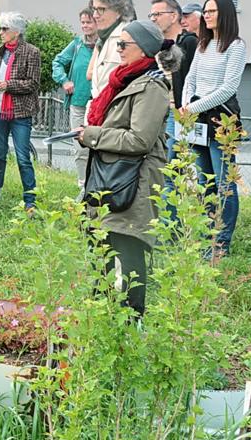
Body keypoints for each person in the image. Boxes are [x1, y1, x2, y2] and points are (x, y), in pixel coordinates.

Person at [76, 20, 177, 316]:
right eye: (117, 44)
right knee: (104, 247)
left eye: (123, 44)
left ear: (143, 49)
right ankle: (105, 316)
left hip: (134, 182)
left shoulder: (151, 86)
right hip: (113, 177)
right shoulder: (126, 80)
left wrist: (92, 135)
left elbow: (139, 140)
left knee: (127, 250)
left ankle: (132, 321)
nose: (118, 50)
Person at [181, 0, 247, 257]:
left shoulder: (236, 46)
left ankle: (221, 242)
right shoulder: (203, 45)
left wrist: (193, 107)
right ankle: (209, 235)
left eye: (211, 11)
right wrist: (186, 103)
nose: (206, 15)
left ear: (225, 14)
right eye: (205, 11)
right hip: (198, 119)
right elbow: (190, 79)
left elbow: (228, 87)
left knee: (223, 183)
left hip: (221, 119)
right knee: (205, 180)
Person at [0, 12, 41, 211]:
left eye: (4, 29)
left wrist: (8, 84)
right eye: (0, 28)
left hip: (20, 113)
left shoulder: (31, 52)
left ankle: (30, 200)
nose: (0, 32)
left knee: (23, 157)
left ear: (16, 32)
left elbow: (32, 84)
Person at [148, 0, 197, 158]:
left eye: (158, 14)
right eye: (151, 15)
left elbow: (191, 79)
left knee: (173, 164)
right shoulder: (156, 45)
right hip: (157, 112)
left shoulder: (189, 42)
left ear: (174, 16)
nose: (153, 19)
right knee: (161, 163)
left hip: (178, 112)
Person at [52, 9, 97, 184]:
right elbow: (57, 62)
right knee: (80, 147)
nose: (85, 26)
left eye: (89, 22)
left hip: (99, 103)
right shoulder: (77, 44)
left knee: (100, 145)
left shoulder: (106, 44)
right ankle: (82, 184)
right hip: (78, 103)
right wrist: (64, 81)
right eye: (83, 22)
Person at [86, 0, 136, 109]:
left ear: (119, 11)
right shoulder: (103, 39)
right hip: (98, 112)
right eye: (94, 9)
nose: (95, 15)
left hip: (116, 113)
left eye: (101, 9)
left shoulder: (130, 38)